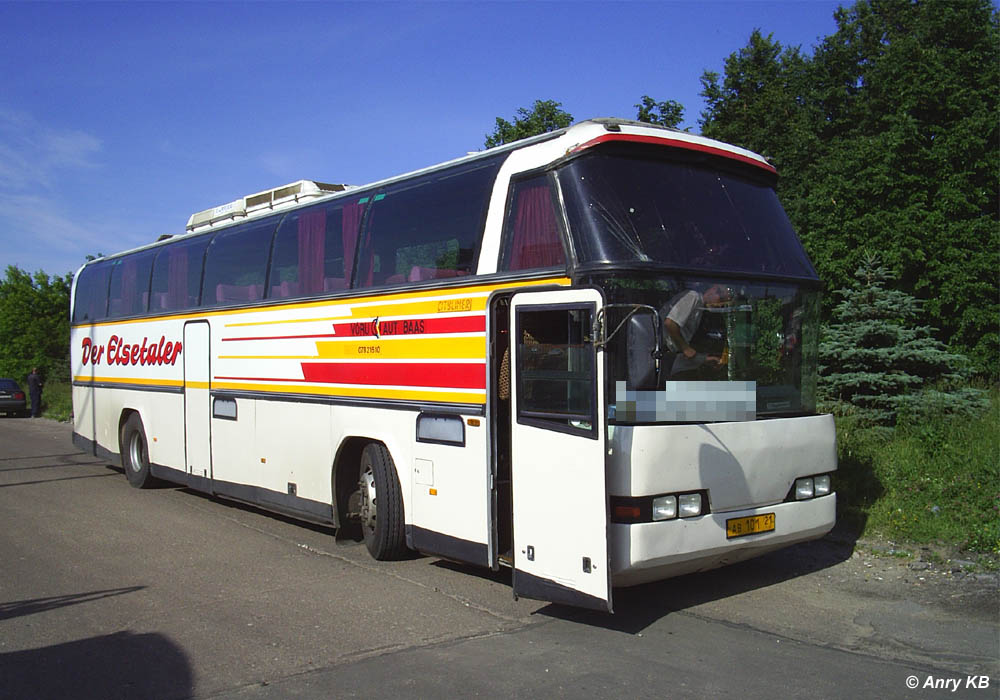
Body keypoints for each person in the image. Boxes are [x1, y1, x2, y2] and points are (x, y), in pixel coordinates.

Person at [661, 285, 731, 376]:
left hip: (668, 356)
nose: (720, 305)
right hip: (661, 351)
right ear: (713, 289)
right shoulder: (693, 296)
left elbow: (684, 352)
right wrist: (685, 348)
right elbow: (670, 324)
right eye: (721, 300)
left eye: (724, 304)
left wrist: (704, 360)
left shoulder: (700, 308)